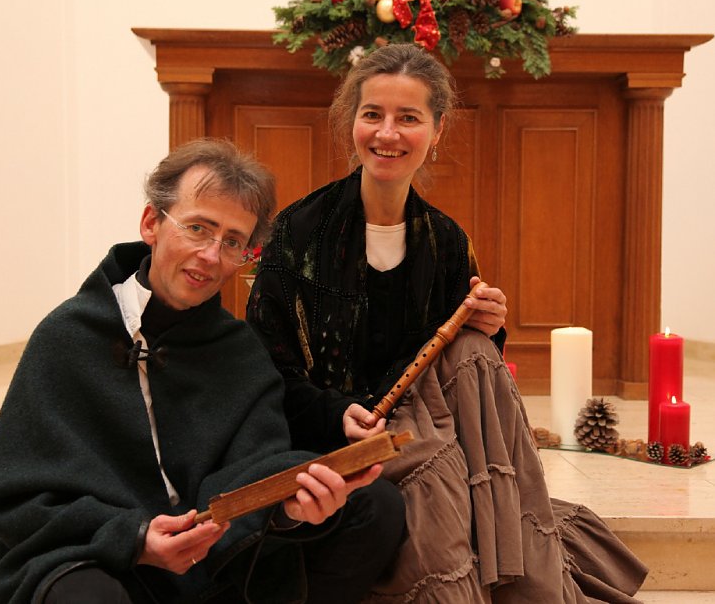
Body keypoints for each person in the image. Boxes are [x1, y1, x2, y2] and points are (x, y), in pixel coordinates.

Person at [247, 44, 647, 603]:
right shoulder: (298, 232)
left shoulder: (447, 241)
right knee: (438, 470)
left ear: (436, 131)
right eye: (373, 115)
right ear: (351, 123)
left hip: (423, 426)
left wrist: (490, 324)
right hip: (328, 437)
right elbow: (266, 370)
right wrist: (339, 413)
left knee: (469, 373)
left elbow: (456, 368)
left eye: (408, 118)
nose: (387, 133)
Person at [0, 138, 406, 604]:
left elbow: (254, 468)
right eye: (198, 228)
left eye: (233, 242)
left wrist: (291, 506)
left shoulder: (238, 350)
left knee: (375, 506)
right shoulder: (67, 336)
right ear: (151, 223)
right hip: (106, 557)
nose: (211, 255)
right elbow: (13, 498)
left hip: (213, 560)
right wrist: (135, 538)